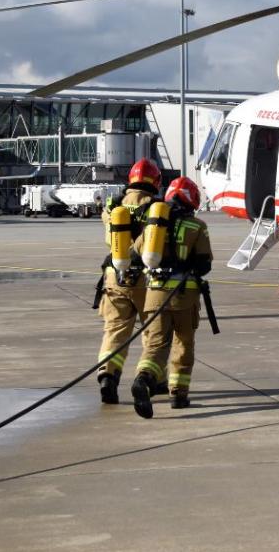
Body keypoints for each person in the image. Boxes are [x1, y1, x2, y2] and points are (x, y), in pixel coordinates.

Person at [131, 176, 213, 419]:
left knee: (156, 344)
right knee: (183, 344)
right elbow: (203, 264)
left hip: (154, 296)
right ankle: (178, 394)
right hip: (184, 298)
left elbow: (135, 256)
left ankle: (143, 379)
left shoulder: (153, 226)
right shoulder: (197, 226)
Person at [95, 158, 161, 405]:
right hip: (147, 278)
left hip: (114, 275)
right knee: (154, 331)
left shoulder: (114, 205)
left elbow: (108, 232)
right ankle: (152, 379)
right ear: (155, 181)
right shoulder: (156, 207)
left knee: (115, 330)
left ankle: (107, 377)